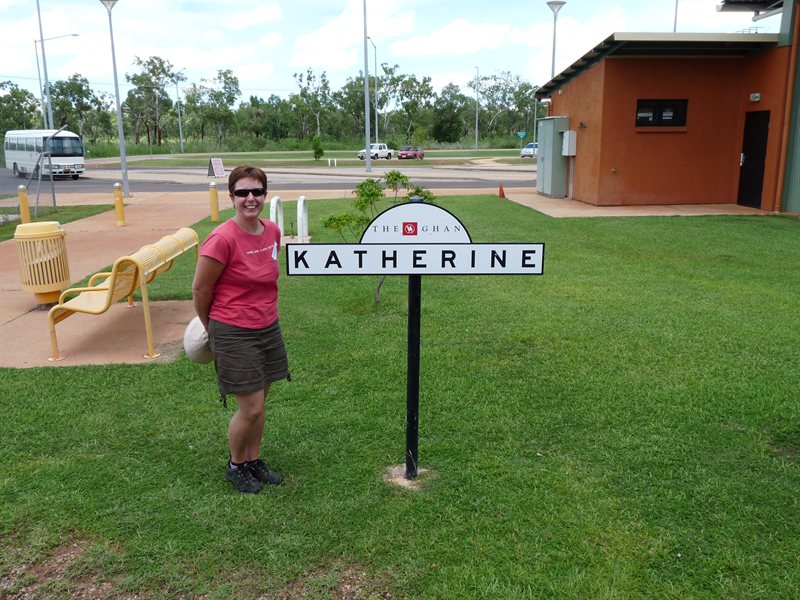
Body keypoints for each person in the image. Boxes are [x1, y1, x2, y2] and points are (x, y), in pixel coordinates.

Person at [192, 165, 289, 494]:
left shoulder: (272, 231)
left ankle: (253, 460)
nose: (251, 198)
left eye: (257, 192)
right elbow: (201, 290)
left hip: (267, 326)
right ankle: (236, 464)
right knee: (251, 408)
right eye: (243, 193)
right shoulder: (221, 239)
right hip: (233, 329)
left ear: (265, 194)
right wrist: (213, 329)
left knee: (261, 401)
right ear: (231, 197)